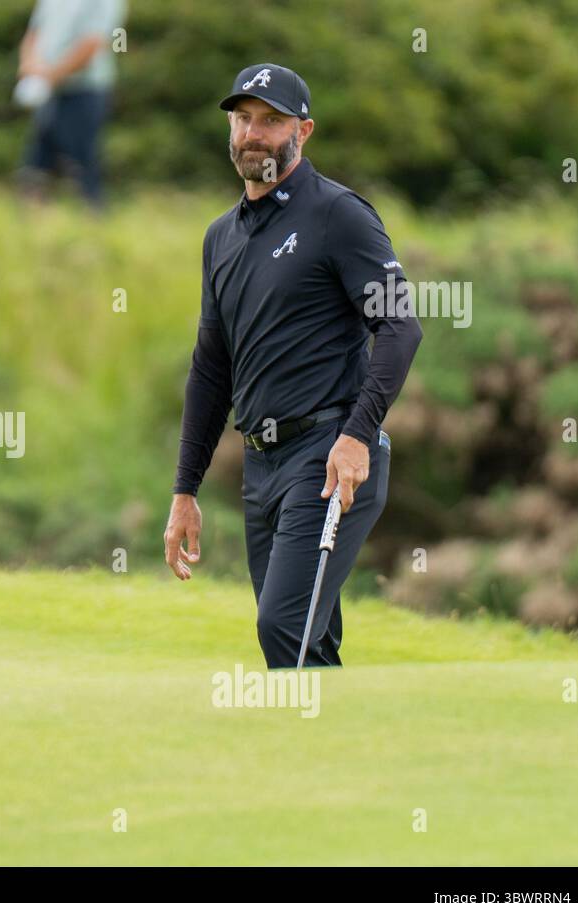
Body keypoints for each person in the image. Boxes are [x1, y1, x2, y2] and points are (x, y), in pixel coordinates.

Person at [162, 64, 424, 669]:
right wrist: (185, 490)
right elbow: (210, 370)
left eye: (271, 121)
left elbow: (400, 326)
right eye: (243, 119)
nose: (254, 133)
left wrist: (358, 436)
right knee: (309, 643)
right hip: (262, 466)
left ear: (302, 131)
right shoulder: (220, 238)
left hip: (330, 457)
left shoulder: (339, 215)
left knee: (282, 627)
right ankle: (333, 759)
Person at [16, 0, 125, 210]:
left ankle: (93, 223)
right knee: (36, 164)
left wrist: (50, 75)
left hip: (86, 90)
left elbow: (93, 43)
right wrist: (28, 65)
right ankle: (33, 224)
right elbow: (33, 34)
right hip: (49, 91)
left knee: (81, 165)